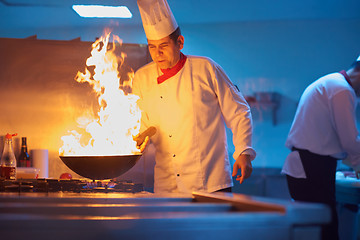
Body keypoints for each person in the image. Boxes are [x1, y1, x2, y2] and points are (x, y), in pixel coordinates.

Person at [132, 0, 256, 194]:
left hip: (210, 182)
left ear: (180, 42)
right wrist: (136, 140)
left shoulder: (206, 68)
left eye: (163, 45)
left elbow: (239, 110)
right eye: (152, 47)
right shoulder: (142, 78)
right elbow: (141, 125)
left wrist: (244, 150)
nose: (158, 54)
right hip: (166, 186)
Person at [282, 55, 360, 240]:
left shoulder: (332, 83)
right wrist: (358, 164)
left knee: (315, 227)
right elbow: (350, 140)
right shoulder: (342, 89)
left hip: (307, 166)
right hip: (311, 167)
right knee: (324, 230)